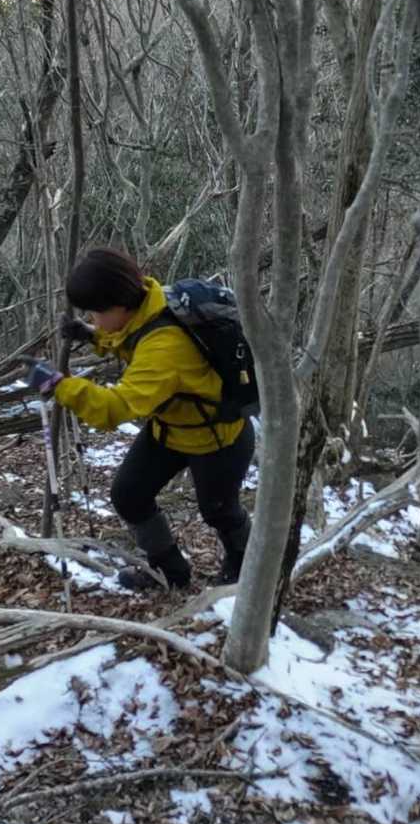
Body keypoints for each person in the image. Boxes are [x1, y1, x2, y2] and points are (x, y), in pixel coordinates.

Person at [23, 247, 255, 592]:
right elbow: (133, 338)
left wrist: (58, 386)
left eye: (96, 312)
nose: (94, 317)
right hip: (171, 429)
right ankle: (169, 571)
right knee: (129, 495)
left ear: (119, 304)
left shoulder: (165, 347)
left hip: (216, 437)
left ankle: (246, 565)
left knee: (219, 511)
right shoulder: (152, 302)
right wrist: (92, 335)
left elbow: (114, 408)